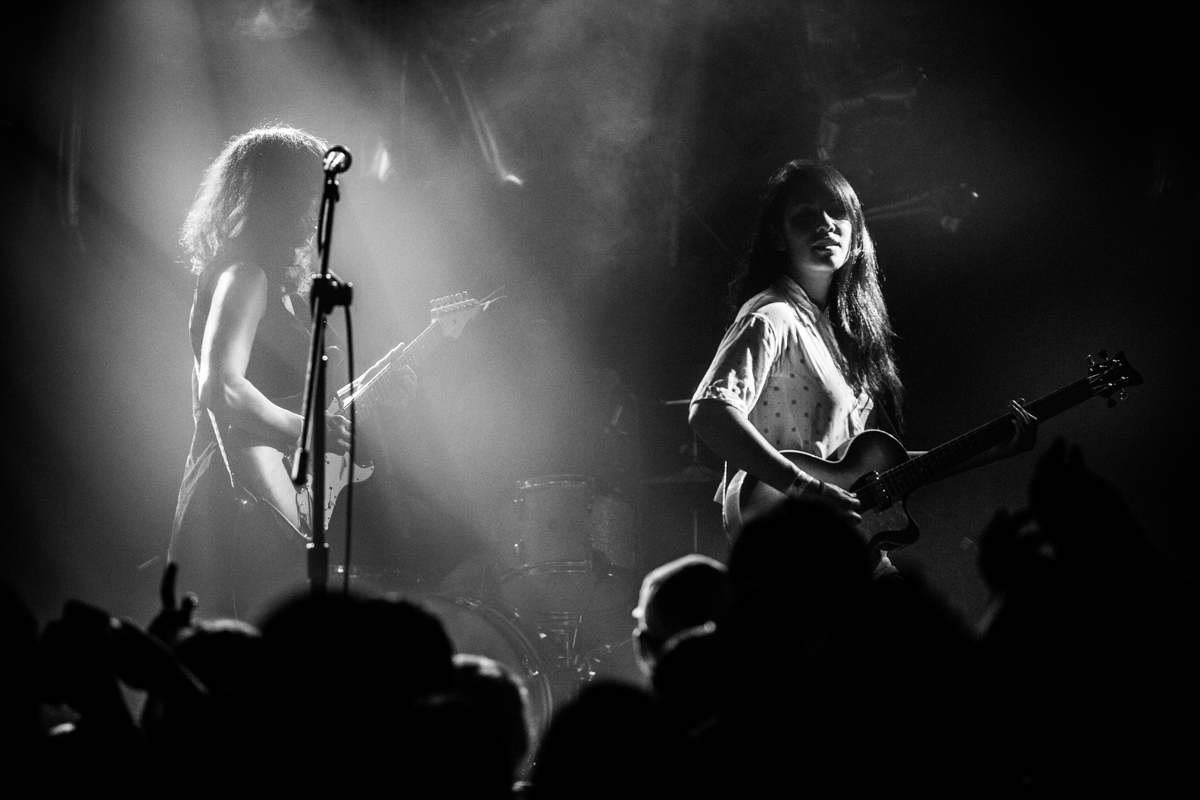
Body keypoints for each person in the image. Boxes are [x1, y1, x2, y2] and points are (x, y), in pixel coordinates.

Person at [689, 159, 1033, 575]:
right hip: (793, 545)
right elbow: (710, 412)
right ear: (777, 236)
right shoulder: (772, 315)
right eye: (805, 215)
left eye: (837, 212)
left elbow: (874, 471)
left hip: (846, 550)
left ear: (855, 233)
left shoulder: (835, 337)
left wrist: (992, 449)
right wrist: (807, 488)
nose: (826, 223)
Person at [168, 126, 407, 620]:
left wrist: (380, 394)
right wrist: (309, 432)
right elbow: (222, 389)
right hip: (239, 503)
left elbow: (293, 397)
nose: (316, 214)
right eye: (308, 198)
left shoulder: (276, 288)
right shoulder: (244, 276)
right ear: (280, 199)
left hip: (266, 497)